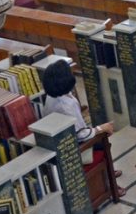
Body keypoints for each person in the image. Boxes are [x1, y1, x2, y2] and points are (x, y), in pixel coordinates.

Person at [41, 61, 125, 195]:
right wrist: (101, 129)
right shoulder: (65, 106)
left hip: (64, 141)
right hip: (74, 149)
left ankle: (108, 173)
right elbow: (80, 135)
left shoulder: (52, 96)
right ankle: (110, 184)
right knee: (102, 143)